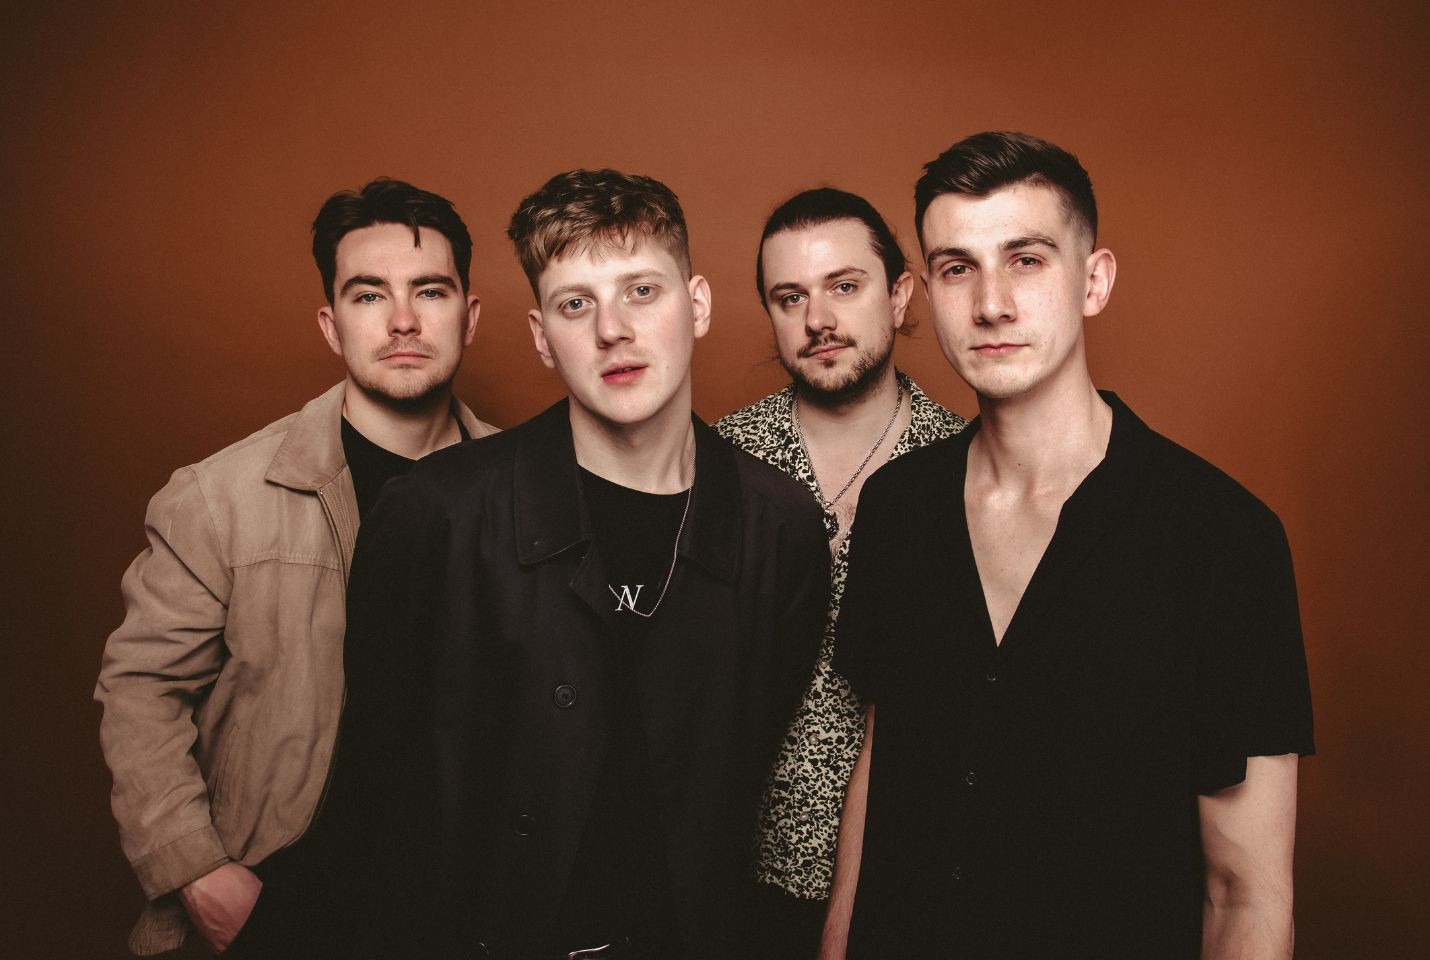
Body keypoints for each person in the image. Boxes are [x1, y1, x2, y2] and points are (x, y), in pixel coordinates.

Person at [826, 132, 1315, 959]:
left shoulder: (1225, 542)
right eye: (956, 267)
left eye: (1026, 260)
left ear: (1094, 281)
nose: (990, 304)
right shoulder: (898, 508)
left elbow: (1248, 896)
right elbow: (883, 761)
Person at [321, 168, 829, 959]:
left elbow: (741, 760)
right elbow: (379, 797)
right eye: (575, 304)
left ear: (696, 305)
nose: (612, 331)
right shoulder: (436, 515)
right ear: (539, 337)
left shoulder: (783, 528)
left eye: (641, 292)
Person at [94, 178, 497, 957]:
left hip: (465, 907)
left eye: (431, 291)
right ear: (330, 323)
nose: (404, 320)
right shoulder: (216, 499)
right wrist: (199, 871)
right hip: (282, 900)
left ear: (469, 317)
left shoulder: (529, 497)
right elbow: (139, 691)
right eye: (369, 294)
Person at [713, 187, 964, 958]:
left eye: (844, 287)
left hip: (915, 874)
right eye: (790, 297)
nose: (817, 318)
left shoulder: (965, 471)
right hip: (723, 878)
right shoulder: (714, 465)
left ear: (898, 296)